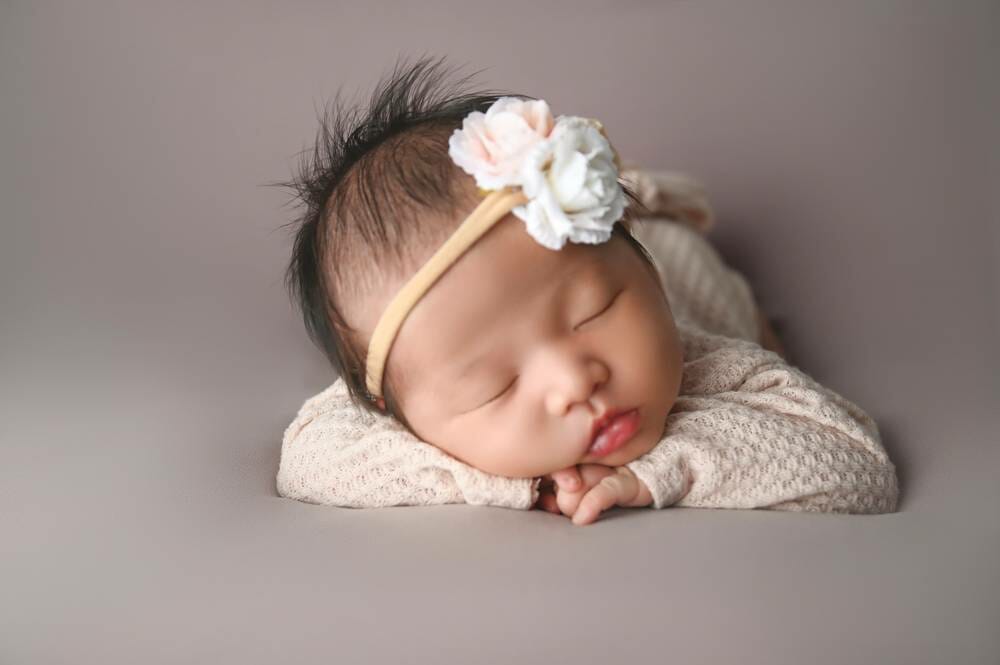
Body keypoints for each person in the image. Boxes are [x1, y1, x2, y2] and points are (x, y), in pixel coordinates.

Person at [274, 56, 899, 525]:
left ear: (639, 268)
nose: (575, 382)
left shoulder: (715, 368)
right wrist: (515, 483)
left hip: (691, 272)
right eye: (495, 385)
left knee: (709, 274)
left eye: (594, 311)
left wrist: (655, 472)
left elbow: (857, 464)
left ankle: (675, 235)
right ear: (395, 412)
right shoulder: (401, 404)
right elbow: (306, 460)